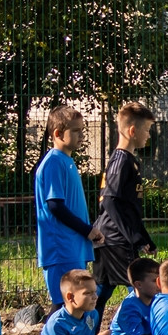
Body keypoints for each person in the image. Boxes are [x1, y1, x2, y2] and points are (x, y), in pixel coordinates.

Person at [34, 105, 104, 316]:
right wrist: (87, 230)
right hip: (61, 248)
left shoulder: (66, 161)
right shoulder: (54, 162)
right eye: (76, 131)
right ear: (57, 133)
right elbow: (55, 206)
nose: (82, 136)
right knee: (63, 305)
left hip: (73, 246)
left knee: (76, 305)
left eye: (82, 130)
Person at [93, 102, 157, 315]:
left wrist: (144, 237)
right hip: (117, 241)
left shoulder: (127, 160)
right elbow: (110, 201)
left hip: (109, 238)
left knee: (99, 294)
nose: (148, 135)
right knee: (143, 291)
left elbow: (128, 207)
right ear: (132, 131)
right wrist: (134, 237)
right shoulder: (121, 160)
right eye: (146, 130)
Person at [101, 257, 162, 335]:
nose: (159, 285)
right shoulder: (130, 307)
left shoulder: (157, 300)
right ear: (138, 284)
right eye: (155, 281)